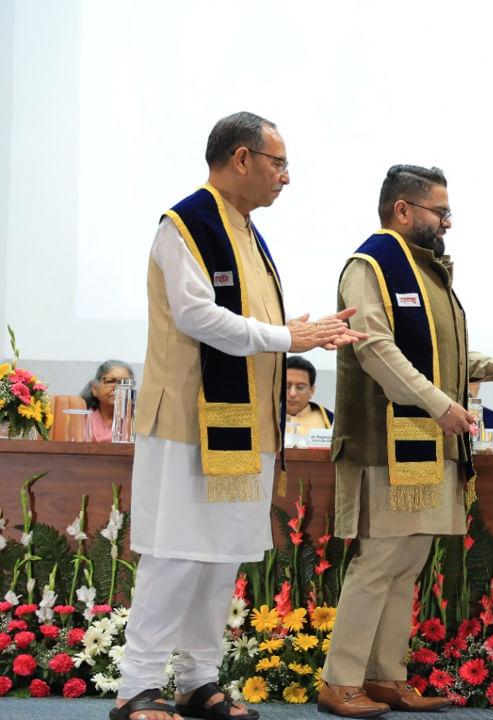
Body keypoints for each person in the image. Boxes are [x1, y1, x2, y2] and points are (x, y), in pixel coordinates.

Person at [112, 112, 363, 720]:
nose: (285, 178)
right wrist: (288, 335)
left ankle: (198, 681)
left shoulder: (245, 229)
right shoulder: (186, 224)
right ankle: (136, 687)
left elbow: (256, 329)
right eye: (278, 164)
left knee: (220, 555)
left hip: (244, 424)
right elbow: (197, 316)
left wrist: (293, 333)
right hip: (186, 424)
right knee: (175, 551)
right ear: (242, 158)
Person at [320, 164, 493, 717]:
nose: (447, 223)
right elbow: (375, 350)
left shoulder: (430, 273)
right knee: (380, 560)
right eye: (440, 213)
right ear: (403, 210)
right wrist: (441, 404)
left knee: (405, 564)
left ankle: (385, 677)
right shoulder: (370, 265)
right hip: (386, 441)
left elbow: (449, 359)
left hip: (429, 438)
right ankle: (340, 680)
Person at [79, 359, 135, 442]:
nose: (116, 387)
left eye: (124, 383)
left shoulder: (138, 423)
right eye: (110, 381)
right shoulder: (82, 419)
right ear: (94, 388)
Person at [284, 355, 334, 433]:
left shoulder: (327, 420)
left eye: (300, 387)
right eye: (287, 386)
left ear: (311, 391)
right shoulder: (264, 416)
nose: (292, 394)